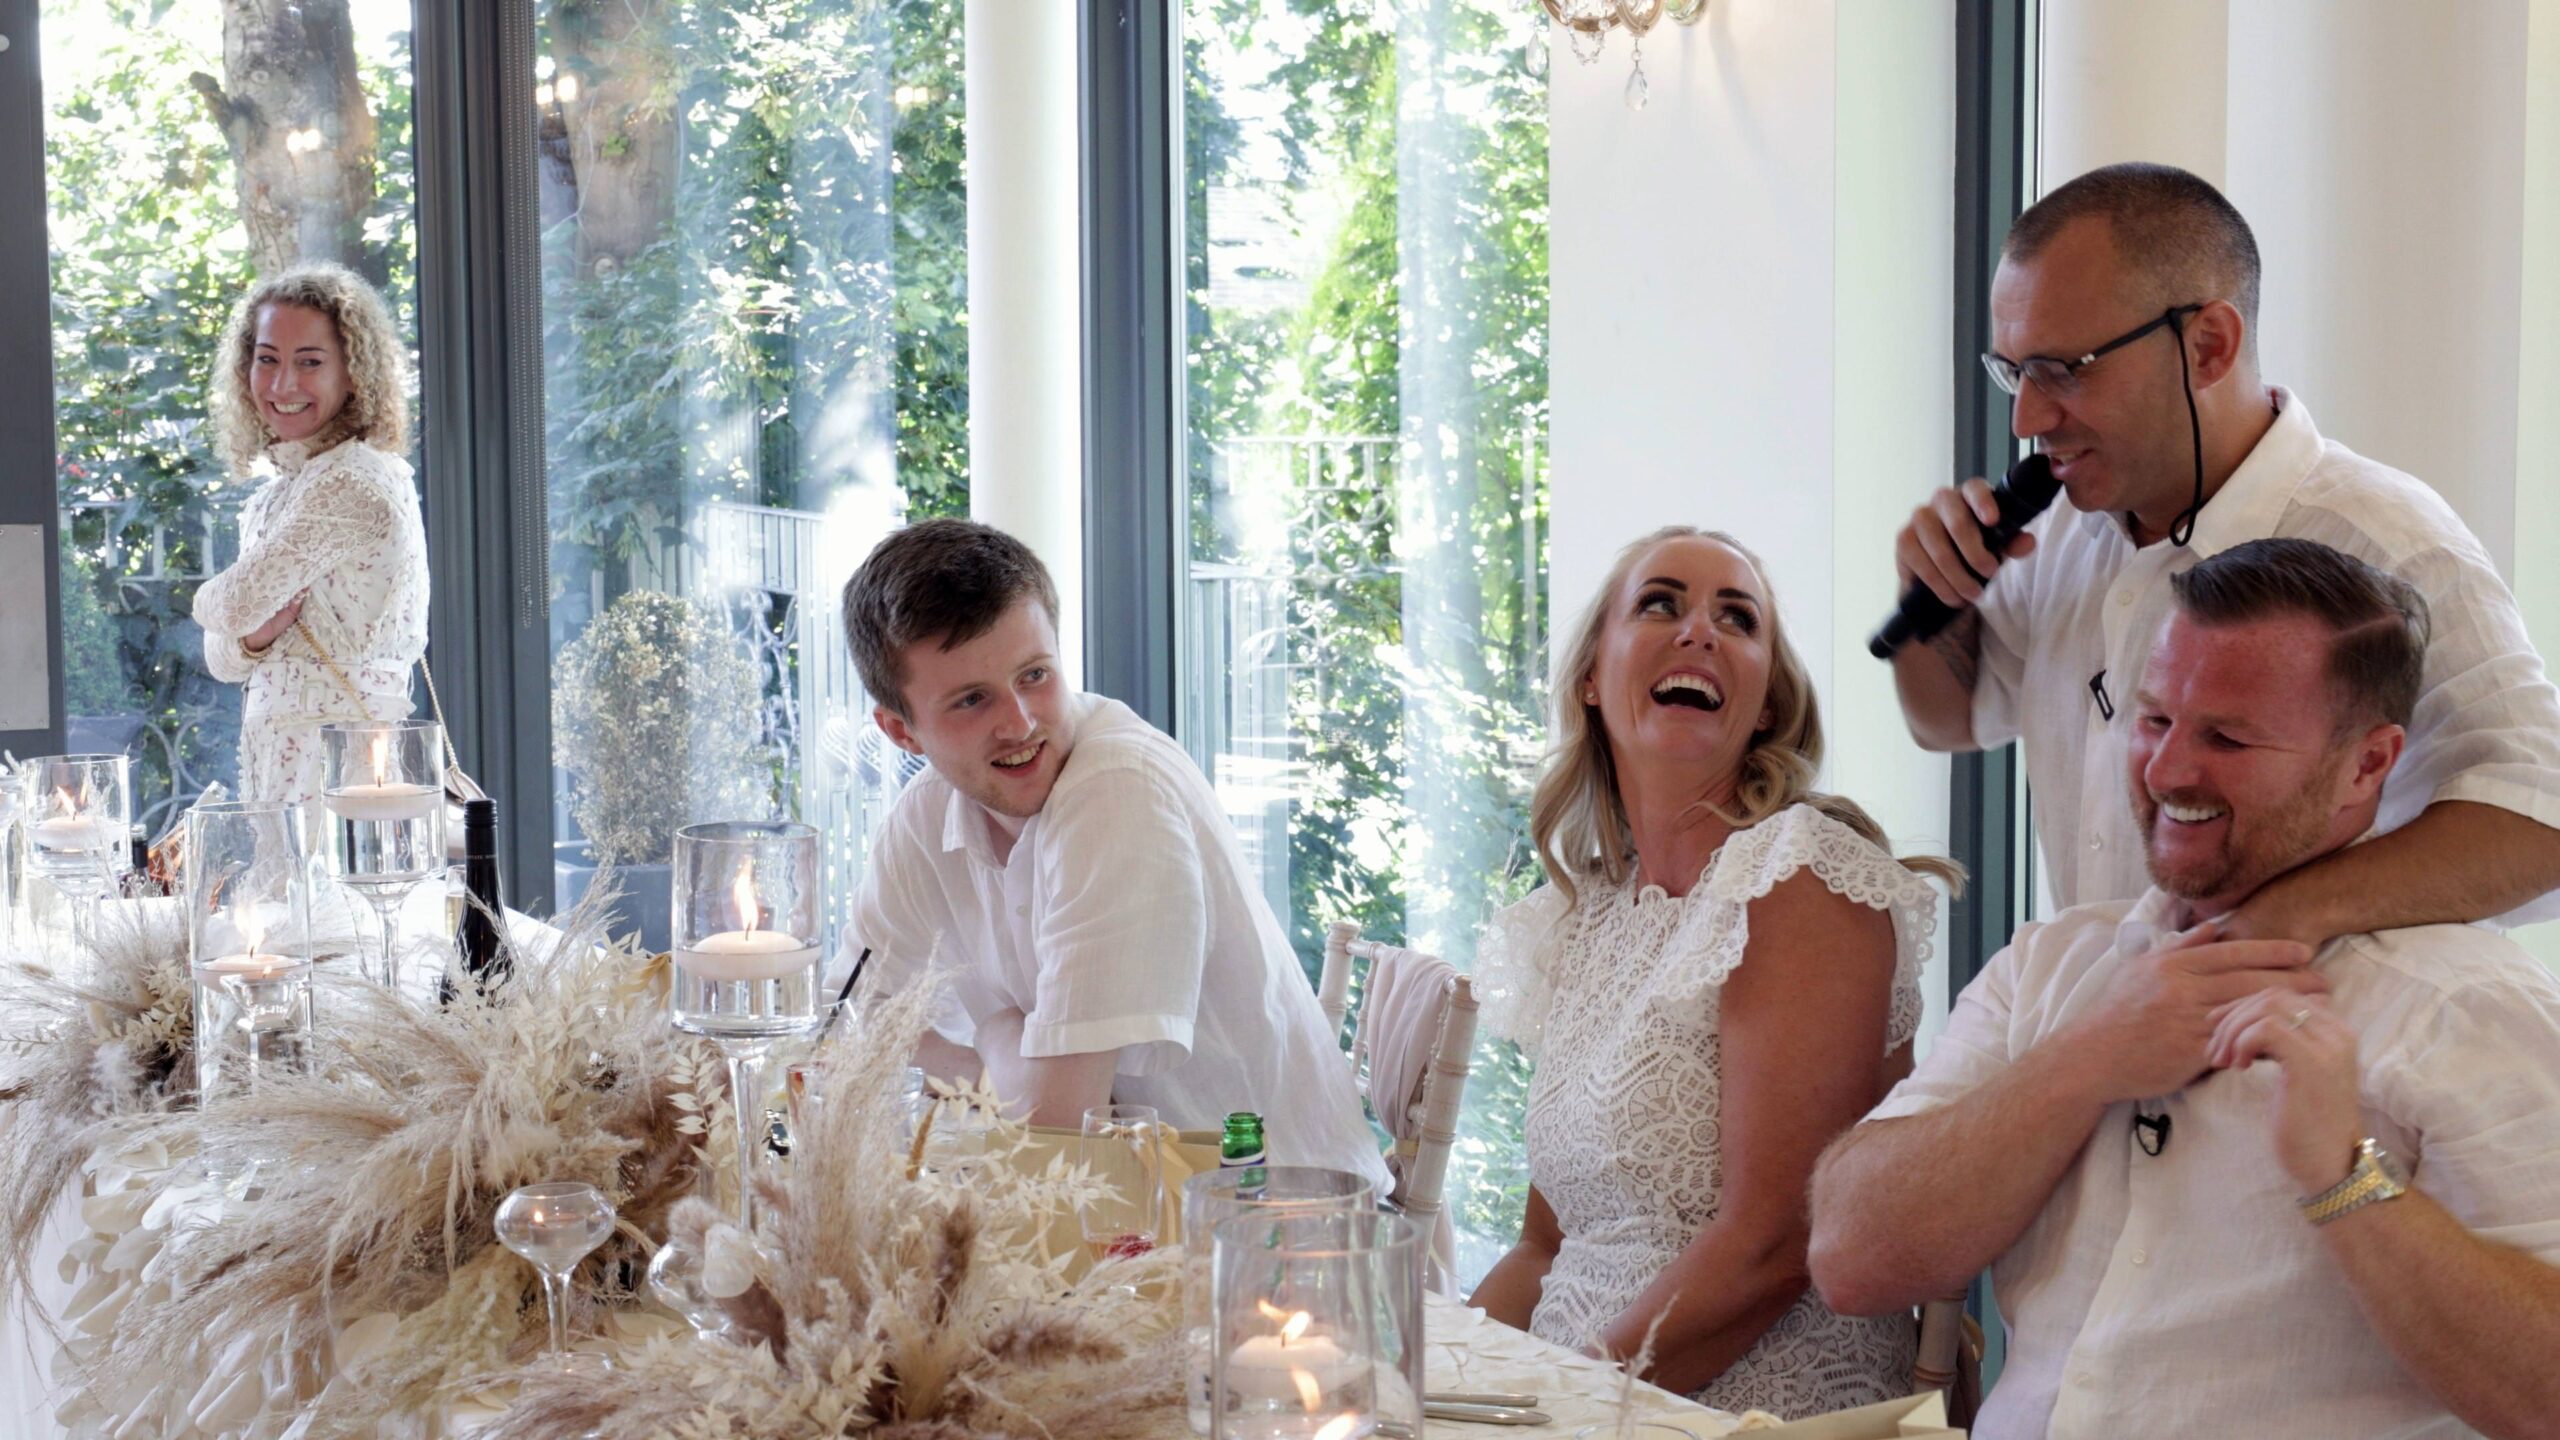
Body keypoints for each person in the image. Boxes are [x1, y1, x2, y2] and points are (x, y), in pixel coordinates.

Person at [1811, 539, 2560, 1440]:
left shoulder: (2465, 1007)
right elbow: (1849, 1256)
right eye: (2156, 719)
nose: (2167, 773)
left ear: (2367, 766)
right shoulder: (2052, 965)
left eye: (2228, 737)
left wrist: (2343, 1178)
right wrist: (2087, 1060)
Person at [1888, 161, 2560, 944]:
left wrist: (2267, 924)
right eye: (2014, 373)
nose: (2028, 420)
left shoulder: (2385, 540)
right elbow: (1949, 720)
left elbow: (2539, 814)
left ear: (2208, 344)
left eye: (2062, 371)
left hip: (2307, 1047)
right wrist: (1931, 599)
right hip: (2098, 1031)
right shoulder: (2066, 525)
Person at [1466, 527, 1958, 1415]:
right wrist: (1436, 1381)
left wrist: (1555, 1409)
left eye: (1738, 619)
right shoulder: (1595, 914)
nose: (1700, 631)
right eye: (1661, 604)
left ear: (1765, 702)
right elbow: (1544, 1247)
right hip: (1577, 1398)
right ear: (1591, 675)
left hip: (1739, 1416)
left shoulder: (1799, 877)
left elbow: (1770, 1248)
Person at [841, 518, 1389, 1191]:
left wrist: (988, 1044)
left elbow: (1057, 1127)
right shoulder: (925, 814)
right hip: (1108, 1227)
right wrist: (1006, 1050)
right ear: (901, 731)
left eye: (1036, 674)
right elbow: (857, 1029)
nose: (1020, 722)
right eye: (972, 700)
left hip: (1275, 1240)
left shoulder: (1117, 788)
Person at [192, 264, 427, 809]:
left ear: (353, 373)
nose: (282, 384)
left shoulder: (353, 479)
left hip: (340, 769)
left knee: (330, 893)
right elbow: (223, 659)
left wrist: (211, 603)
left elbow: (230, 606)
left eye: (310, 362)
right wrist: (256, 637)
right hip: (284, 769)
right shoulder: (282, 490)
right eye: (267, 359)